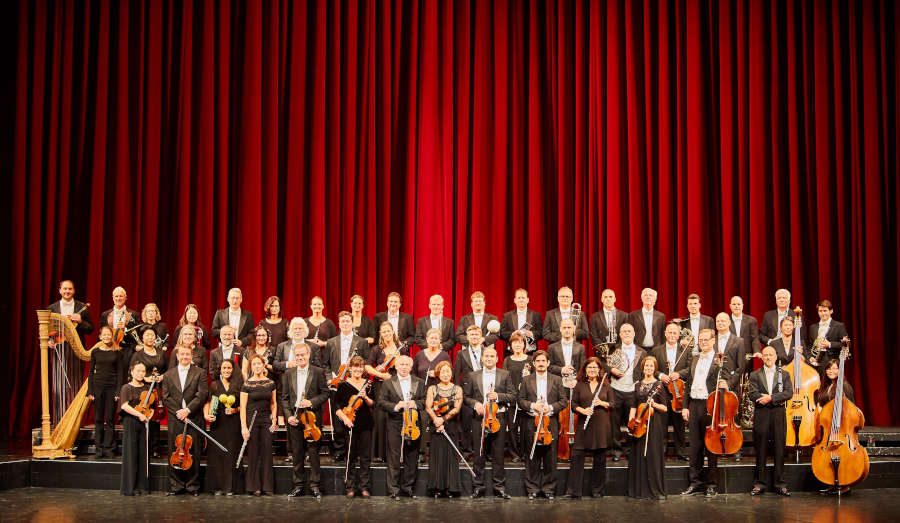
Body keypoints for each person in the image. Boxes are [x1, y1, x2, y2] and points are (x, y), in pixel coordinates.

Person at [671, 329, 738, 497]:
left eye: (706, 340)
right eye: (700, 340)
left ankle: (712, 485)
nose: (703, 342)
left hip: (711, 406)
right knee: (695, 447)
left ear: (713, 340)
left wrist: (727, 384)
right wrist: (685, 406)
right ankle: (695, 483)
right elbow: (688, 385)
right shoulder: (694, 358)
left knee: (711, 447)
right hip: (694, 405)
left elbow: (731, 377)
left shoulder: (720, 359)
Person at [464, 347, 514, 499]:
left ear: (497, 358)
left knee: (498, 454)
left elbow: (513, 395)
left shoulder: (505, 374)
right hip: (479, 419)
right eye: (486, 356)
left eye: (492, 356)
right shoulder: (473, 375)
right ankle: (478, 486)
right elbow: (466, 396)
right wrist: (475, 404)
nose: (489, 358)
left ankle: (499, 487)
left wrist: (498, 396)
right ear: (482, 358)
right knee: (479, 454)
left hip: (498, 418)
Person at [281, 344, 329, 498]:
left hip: (311, 418)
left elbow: (325, 393)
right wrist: (289, 416)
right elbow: (285, 398)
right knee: (297, 452)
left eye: (303, 355)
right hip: (295, 418)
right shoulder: (288, 373)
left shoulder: (318, 372)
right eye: (298, 355)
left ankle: (315, 485)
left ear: (308, 355)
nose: (300, 357)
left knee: (314, 452)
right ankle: (298, 485)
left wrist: (311, 402)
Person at [518, 350, 566, 499]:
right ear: (533, 363)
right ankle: (532, 488)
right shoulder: (526, 380)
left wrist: (550, 408)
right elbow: (520, 400)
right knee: (532, 457)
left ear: (548, 363)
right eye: (537, 361)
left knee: (550, 457)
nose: (540, 363)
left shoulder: (557, 379)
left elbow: (563, 401)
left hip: (549, 422)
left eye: (543, 361)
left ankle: (549, 489)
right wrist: (533, 406)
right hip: (531, 422)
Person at [323, 311, 370, 462]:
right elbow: (325, 364)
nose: (345, 324)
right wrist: (330, 379)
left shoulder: (361, 342)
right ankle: (339, 449)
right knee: (338, 419)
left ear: (352, 323)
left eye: (347, 321)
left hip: (354, 383)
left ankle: (353, 450)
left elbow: (366, 363)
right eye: (342, 321)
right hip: (337, 384)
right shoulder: (331, 342)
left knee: (354, 415)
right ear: (339, 323)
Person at [162, 345, 208, 496]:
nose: (184, 357)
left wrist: (187, 410)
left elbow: (202, 394)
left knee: (194, 451)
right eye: (182, 354)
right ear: (177, 356)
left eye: (187, 354)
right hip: (176, 419)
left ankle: (192, 485)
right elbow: (166, 397)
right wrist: (179, 412)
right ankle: (176, 485)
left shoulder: (200, 373)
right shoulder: (168, 375)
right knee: (174, 451)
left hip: (193, 417)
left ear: (192, 355)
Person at [377, 355, 424, 499]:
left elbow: (424, 401)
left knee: (412, 455)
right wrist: (396, 406)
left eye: (406, 365)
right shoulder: (388, 383)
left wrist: (415, 404)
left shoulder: (420, 382)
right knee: (394, 456)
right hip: (395, 422)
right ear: (396, 366)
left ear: (411, 367)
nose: (403, 367)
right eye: (401, 364)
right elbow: (381, 402)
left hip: (413, 422)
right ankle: (393, 490)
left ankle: (408, 487)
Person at [748, 346, 793, 496]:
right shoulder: (755, 375)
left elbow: (788, 393)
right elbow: (752, 393)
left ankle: (780, 484)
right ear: (762, 357)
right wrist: (766, 399)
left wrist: (771, 398)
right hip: (761, 414)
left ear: (775, 357)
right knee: (760, 449)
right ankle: (759, 484)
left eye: (770, 355)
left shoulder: (784, 374)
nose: (768, 357)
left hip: (778, 414)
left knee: (779, 449)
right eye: (765, 355)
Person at [564, 357, 612, 499]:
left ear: (599, 370)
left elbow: (613, 404)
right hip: (584, 424)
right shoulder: (579, 385)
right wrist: (583, 411)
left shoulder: (605, 386)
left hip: (601, 426)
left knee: (600, 459)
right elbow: (573, 405)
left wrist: (602, 403)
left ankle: (597, 491)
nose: (592, 370)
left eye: (595, 368)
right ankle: (573, 491)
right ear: (585, 370)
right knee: (577, 456)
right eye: (589, 367)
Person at [48, 279, 93, 423]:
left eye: (70, 289)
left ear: (73, 291)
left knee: (75, 383)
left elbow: (90, 329)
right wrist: (49, 340)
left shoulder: (81, 307)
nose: (67, 291)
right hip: (58, 349)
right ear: (60, 290)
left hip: (76, 350)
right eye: (64, 289)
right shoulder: (52, 308)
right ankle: (60, 418)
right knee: (59, 385)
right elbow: (47, 330)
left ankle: (74, 419)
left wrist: (80, 321)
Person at [626, 356, 668, 500]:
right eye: (646, 366)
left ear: (654, 368)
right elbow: (632, 405)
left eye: (651, 366)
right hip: (638, 424)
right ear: (643, 368)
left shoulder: (659, 385)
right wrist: (631, 423)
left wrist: (654, 405)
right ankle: (639, 490)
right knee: (638, 455)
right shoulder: (637, 385)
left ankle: (654, 490)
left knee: (652, 455)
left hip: (653, 424)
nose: (648, 368)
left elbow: (665, 408)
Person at [367, 322, 409, 462]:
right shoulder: (376, 350)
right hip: (381, 385)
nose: (386, 334)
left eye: (388, 331)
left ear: (393, 332)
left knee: (395, 416)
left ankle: (395, 452)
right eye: (383, 332)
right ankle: (379, 453)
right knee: (380, 417)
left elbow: (407, 364)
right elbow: (367, 367)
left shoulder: (401, 349)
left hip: (397, 385)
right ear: (381, 334)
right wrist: (381, 375)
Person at [334, 356, 375, 498]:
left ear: (363, 369)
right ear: (350, 368)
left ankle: (364, 487)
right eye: (355, 366)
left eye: (360, 366)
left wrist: (365, 398)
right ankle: (350, 487)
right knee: (350, 457)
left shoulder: (368, 384)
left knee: (365, 457)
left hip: (365, 424)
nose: (358, 369)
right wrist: (345, 419)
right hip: (349, 423)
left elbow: (372, 404)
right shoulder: (343, 385)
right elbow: (337, 406)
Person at [815, 358, 857, 496]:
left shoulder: (845, 386)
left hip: (842, 428)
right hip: (828, 428)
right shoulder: (826, 386)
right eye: (828, 368)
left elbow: (851, 409)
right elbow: (821, 403)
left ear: (840, 370)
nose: (831, 371)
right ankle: (833, 482)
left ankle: (844, 483)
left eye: (834, 368)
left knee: (842, 454)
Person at [608, 323, 647, 461]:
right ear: (620, 334)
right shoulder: (613, 349)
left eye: (629, 331)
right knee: (615, 422)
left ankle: (631, 450)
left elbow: (645, 371)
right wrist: (611, 370)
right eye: (624, 331)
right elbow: (605, 365)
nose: (627, 334)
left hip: (633, 391)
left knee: (632, 422)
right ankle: (616, 451)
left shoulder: (642, 352)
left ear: (634, 333)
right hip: (616, 390)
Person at [425, 360, 464, 498]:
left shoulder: (457, 389)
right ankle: (436, 487)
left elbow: (457, 408)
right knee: (437, 455)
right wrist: (436, 419)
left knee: (450, 456)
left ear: (451, 373)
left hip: (450, 425)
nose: (446, 374)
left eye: (448, 371)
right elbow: (428, 407)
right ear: (438, 373)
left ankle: (450, 488)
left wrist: (443, 419)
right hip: (436, 425)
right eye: (443, 371)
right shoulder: (432, 389)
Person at [651, 322, 690, 460]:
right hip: (663, 392)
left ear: (679, 335)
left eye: (675, 333)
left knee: (679, 423)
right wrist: (661, 376)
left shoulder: (685, 350)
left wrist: (679, 374)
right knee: (662, 422)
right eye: (670, 332)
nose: (672, 335)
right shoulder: (656, 350)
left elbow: (690, 368)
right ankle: (662, 450)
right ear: (665, 333)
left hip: (678, 392)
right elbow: (653, 369)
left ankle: (681, 451)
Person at [204, 359, 243, 496]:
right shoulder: (214, 385)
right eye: (224, 368)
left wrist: (234, 410)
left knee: (231, 454)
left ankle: (230, 487)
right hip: (217, 423)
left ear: (233, 369)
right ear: (220, 369)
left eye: (229, 368)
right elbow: (208, 402)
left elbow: (243, 406)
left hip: (233, 423)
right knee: (217, 454)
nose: (226, 370)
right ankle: (218, 487)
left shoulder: (238, 385)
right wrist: (207, 415)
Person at [241, 354, 277, 496]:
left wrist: (274, 419)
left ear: (263, 365)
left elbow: (273, 404)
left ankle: (267, 486)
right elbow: (243, 408)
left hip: (266, 420)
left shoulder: (270, 383)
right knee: (253, 452)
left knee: (267, 452)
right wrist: (244, 427)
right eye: (254, 364)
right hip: (252, 421)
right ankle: (254, 486)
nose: (257, 366)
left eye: (259, 364)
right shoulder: (247, 384)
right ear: (251, 367)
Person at [130, 327, 167, 457]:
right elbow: (132, 370)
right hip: (143, 388)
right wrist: (144, 378)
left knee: (155, 418)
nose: (150, 337)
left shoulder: (161, 353)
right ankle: (143, 447)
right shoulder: (137, 354)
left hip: (157, 388)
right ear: (142, 338)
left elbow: (168, 370)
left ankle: (155, 448)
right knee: (143, 416)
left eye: (152, 335)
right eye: (147, 335)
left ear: (155, 338)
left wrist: (162, 377)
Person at [87, 325, 122, 458]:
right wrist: (90, 391)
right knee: (98, 419)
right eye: (104, 334)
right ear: (100, 337)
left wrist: (118, 391)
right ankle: (99, 448)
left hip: (111, 388)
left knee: (109, 419)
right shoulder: (95, 352)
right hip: (97, 388)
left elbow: (120, 373)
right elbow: (91, 373)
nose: (107, 336)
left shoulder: (117, 352)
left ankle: (109, 448)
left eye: (109, 334)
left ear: (112, 336)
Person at [453, 325, 487, 454]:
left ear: (481, 337)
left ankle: (483, 449)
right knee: (466, 420)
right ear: (467, 337)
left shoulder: (487, 352)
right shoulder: (461, 353)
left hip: (483, 390)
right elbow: (457, 374)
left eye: (476, 335)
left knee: (483, 421)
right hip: (467, 391)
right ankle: (466, 449)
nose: (474, 337)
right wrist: (457, 392)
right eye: (471, 335)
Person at [118, 361, 150, 496]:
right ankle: (129, 488)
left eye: (143, 371)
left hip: (144, 423)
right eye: (138, 371)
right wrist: (139, 415)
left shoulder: (147, 388)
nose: (141, 373)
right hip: (131, 421)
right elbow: (124, 406)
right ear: (131, 372)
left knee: (143, 454)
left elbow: (151, 406)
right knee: (131, 454)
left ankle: (142, 486)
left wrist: (149, 415)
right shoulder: (126, 387)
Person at [99, 286, 139, 385]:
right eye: (116, 296)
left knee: (125, 378)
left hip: (127, 350)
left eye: (121, 296)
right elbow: (100, 333)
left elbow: (137, 335)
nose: (118, 298)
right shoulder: (105, 314)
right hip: (110, 349)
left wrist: (125, 329)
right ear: (113, 298)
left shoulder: (133, 314)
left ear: (126, 298)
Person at [502, 332, 531, 461]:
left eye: (520, 342)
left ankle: (525, 452)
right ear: (510, 345)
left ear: (524, 344)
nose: (518, 345)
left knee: (526, 428)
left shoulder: (530, 359)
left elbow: (535, 379)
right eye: (515, 342)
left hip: (526, 399)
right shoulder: (507, 360)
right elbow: (504, 379)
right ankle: (514, 454)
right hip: (512, 399)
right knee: (512, 428)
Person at [807, 299, 850, 369]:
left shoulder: (839, 326)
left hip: (832, 363)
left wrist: (829, 344)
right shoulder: (813, 327)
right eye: (820, 311)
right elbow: (809, 345)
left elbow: (846, 344)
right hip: (815, 363)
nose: (823, 313)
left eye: (825, 311)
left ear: (831, 311)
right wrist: (810, 356)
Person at [499, 288, 542, 355]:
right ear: (515, 300)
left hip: (531, 352)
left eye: (523, 297)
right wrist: (513, 334)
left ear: (527, 300)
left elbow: (541, 333)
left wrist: (532, 334)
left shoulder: (536, 315)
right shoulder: (507, 316)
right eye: (519, 298)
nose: (521, 300)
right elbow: (501, 333)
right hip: (511, 352)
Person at [729, 296, 760, 360]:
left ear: (742, 306)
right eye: (734, 304)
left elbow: (755, 338)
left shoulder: (751, 320)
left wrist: (756, 351)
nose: (736, 306)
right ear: (730, 306)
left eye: (738, 304)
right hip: (730, 356)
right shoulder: (726, 320)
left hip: (746, 357)